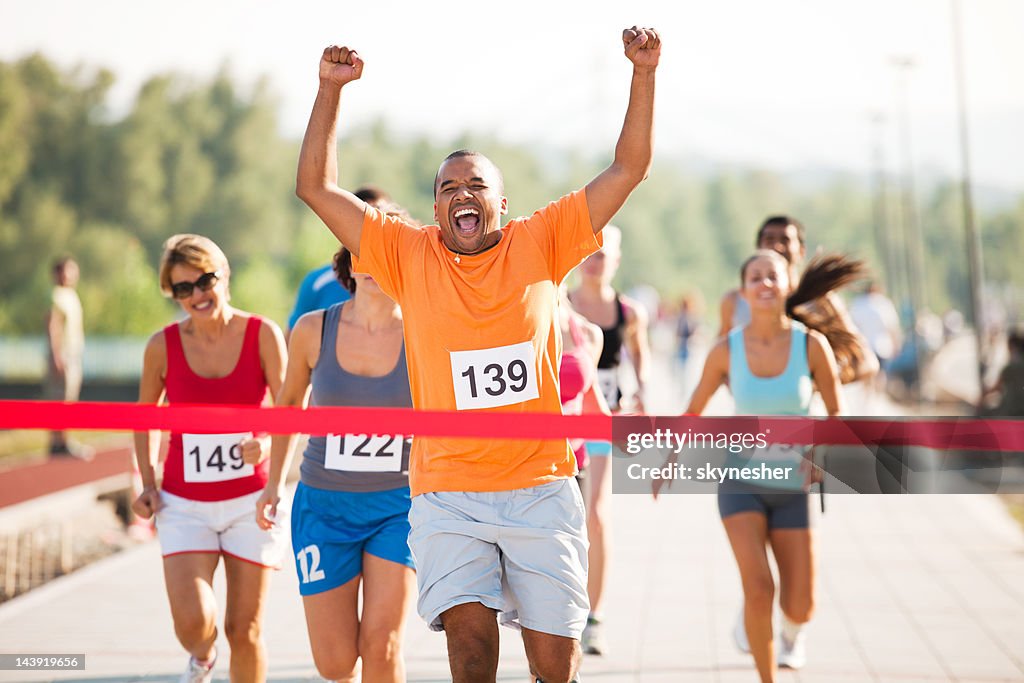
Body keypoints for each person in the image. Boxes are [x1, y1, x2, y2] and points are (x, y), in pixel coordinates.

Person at [295, 27, 660, 683]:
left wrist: (643, 74)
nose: (462, 193)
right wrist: (329, 90)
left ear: (502, 201)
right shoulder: (408, 255)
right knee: (469, 652)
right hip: (448, 493)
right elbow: (316, 188)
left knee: (554, 663)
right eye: (448, 187)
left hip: (539, 486)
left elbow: (628, 169)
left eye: (475, 183)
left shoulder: (543, 240)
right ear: (435, 207)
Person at [668, 249, 863, 682]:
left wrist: (823, 452)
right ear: (742, 291)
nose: (764, 284)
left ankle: (784, 627)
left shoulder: (812, 346)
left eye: (772, 276)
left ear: (788, 284)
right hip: (740, 482)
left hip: (793, 487)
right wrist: (666, 458)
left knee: (800, 606)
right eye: (755, 278)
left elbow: (839, 416)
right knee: (760, 589)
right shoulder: (726, 350)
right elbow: (693, 408)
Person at [256, 216, 418, 683]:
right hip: (324, 507)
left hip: (398, 506)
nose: (370, 263)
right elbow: (288, 407)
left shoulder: (425, 334)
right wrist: (272, 487)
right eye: (360, 250)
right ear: (347, 260)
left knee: (382, 645)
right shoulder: (312, 329)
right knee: (335, 663)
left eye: (384, 251)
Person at [131, 234, 287, 683]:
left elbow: (292, 411)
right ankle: (202, 658)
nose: (197, 295)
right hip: (183, 503)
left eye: (205, 281)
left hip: (251, 501)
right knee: (193, 625)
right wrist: (147, 482)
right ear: (172, 293)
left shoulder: (263, 334)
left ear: (224, 276)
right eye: (183, 289)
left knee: (246, 629)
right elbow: (143, 420)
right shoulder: (161, 346)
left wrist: (270, 444)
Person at [567, 224, 651, 655]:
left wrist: (643, 398)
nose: (594, 261)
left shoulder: (629, 313)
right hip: (562, 424)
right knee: (566, 516)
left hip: (603, 422)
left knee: (596, 514)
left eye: (603, 254)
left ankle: (593, 617)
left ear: (616, 260)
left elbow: (641, 362)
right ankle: (559, 611)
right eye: (589, 252)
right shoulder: (560, 306)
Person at [718, 215, 878, 384]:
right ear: (758, 249)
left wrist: (821, 383)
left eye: (785, 240)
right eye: (769, 239)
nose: (777, 246)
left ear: (801, 251)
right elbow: (720, 362)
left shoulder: (822, 300)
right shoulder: (734, 302)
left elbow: (867, 363)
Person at [286, 188, 394, 336]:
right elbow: (291, 340)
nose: (369, 229)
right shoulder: (317, 282)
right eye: (362, 220)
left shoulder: (406, 286)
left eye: (378, 219)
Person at [45, 256, 92, 459]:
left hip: (73, 353)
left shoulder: (71, 295)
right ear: (57, 274)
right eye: (66, 271)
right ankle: (58, 442)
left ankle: (62, 440)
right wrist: (56, 354)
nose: (70, 275)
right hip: (62, 354)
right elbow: (52, 324)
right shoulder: (56, 295)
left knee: (69, 398)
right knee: (60, 398)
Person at [848, 281, 902, 393]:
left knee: (867, 374)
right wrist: (896, 344)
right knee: (880, 374)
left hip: (863, 345)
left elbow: (851, 326)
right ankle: (877, 395)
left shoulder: (859, 303)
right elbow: (892, 327)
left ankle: (868, 396)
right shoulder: (884, 304)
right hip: (881, 346)